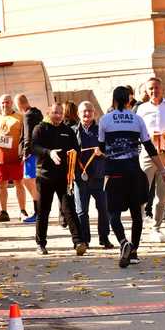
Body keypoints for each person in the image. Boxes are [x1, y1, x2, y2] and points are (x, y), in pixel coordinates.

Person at [99, 86, 165, 267]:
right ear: (129, 101)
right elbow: (150, 148)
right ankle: (134, 252)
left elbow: (101, 148)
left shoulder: (105, 120)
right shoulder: (137, 119)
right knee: (136, 213)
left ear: (114, 101)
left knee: (113, 213)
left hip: (114, 173)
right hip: (133, 172)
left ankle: (124, 243)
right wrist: (162, 170)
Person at [31, 103, 87, 256]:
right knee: (43, 211)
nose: (58, 115)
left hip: (64, 177)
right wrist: (49, 153)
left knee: (69, 209)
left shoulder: (67, 131)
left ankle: (78, 242)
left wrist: (73, 155)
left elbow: (76, 149)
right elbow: (33, 147)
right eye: (55, 112)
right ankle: (41, 244)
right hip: (45, 176)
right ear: (49, 113)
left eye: (60, 113)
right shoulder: (40, 128)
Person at [136, 77, 165, 243]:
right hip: (147, 155)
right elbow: (137, 130)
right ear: (146, 91)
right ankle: (139, 225)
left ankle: (156, 228)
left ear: (162, 89)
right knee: (141, 191)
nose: (153, 91)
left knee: (162, 194)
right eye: (150, 89)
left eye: (156, 88)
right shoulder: (142, 109)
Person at [72, 101, 113, 250]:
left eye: (90, 111)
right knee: (81, 211)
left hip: (99, 176)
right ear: (78, 114)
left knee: (103, 209)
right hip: (80, 178)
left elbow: (111, 149)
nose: (87, 114)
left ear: (94, 113)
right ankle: (85, 240)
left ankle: (104, 238)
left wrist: (102, 151)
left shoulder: (102, 130)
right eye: (84, 111)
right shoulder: (73, 131)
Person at [0, 94, 27, 223]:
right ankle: (3, 212)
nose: (5, 104)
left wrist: (25, 153)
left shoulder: (19, 118)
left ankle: (22, 211)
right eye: (3, 102)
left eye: (8, 102)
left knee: (19, 183)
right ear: (0, 103)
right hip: (0, 158)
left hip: (16, 157)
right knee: (1, 185)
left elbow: (25, 137)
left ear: (12, 103)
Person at [15, 94, 42, 223]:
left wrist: (25, 152)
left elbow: (27, 135)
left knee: (28, 180)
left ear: (19, 104)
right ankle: (39, 208)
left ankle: (39, 210)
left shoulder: (27, 115)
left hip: (31, 153)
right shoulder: (37, 113)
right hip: (37, 151)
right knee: (32, 181)